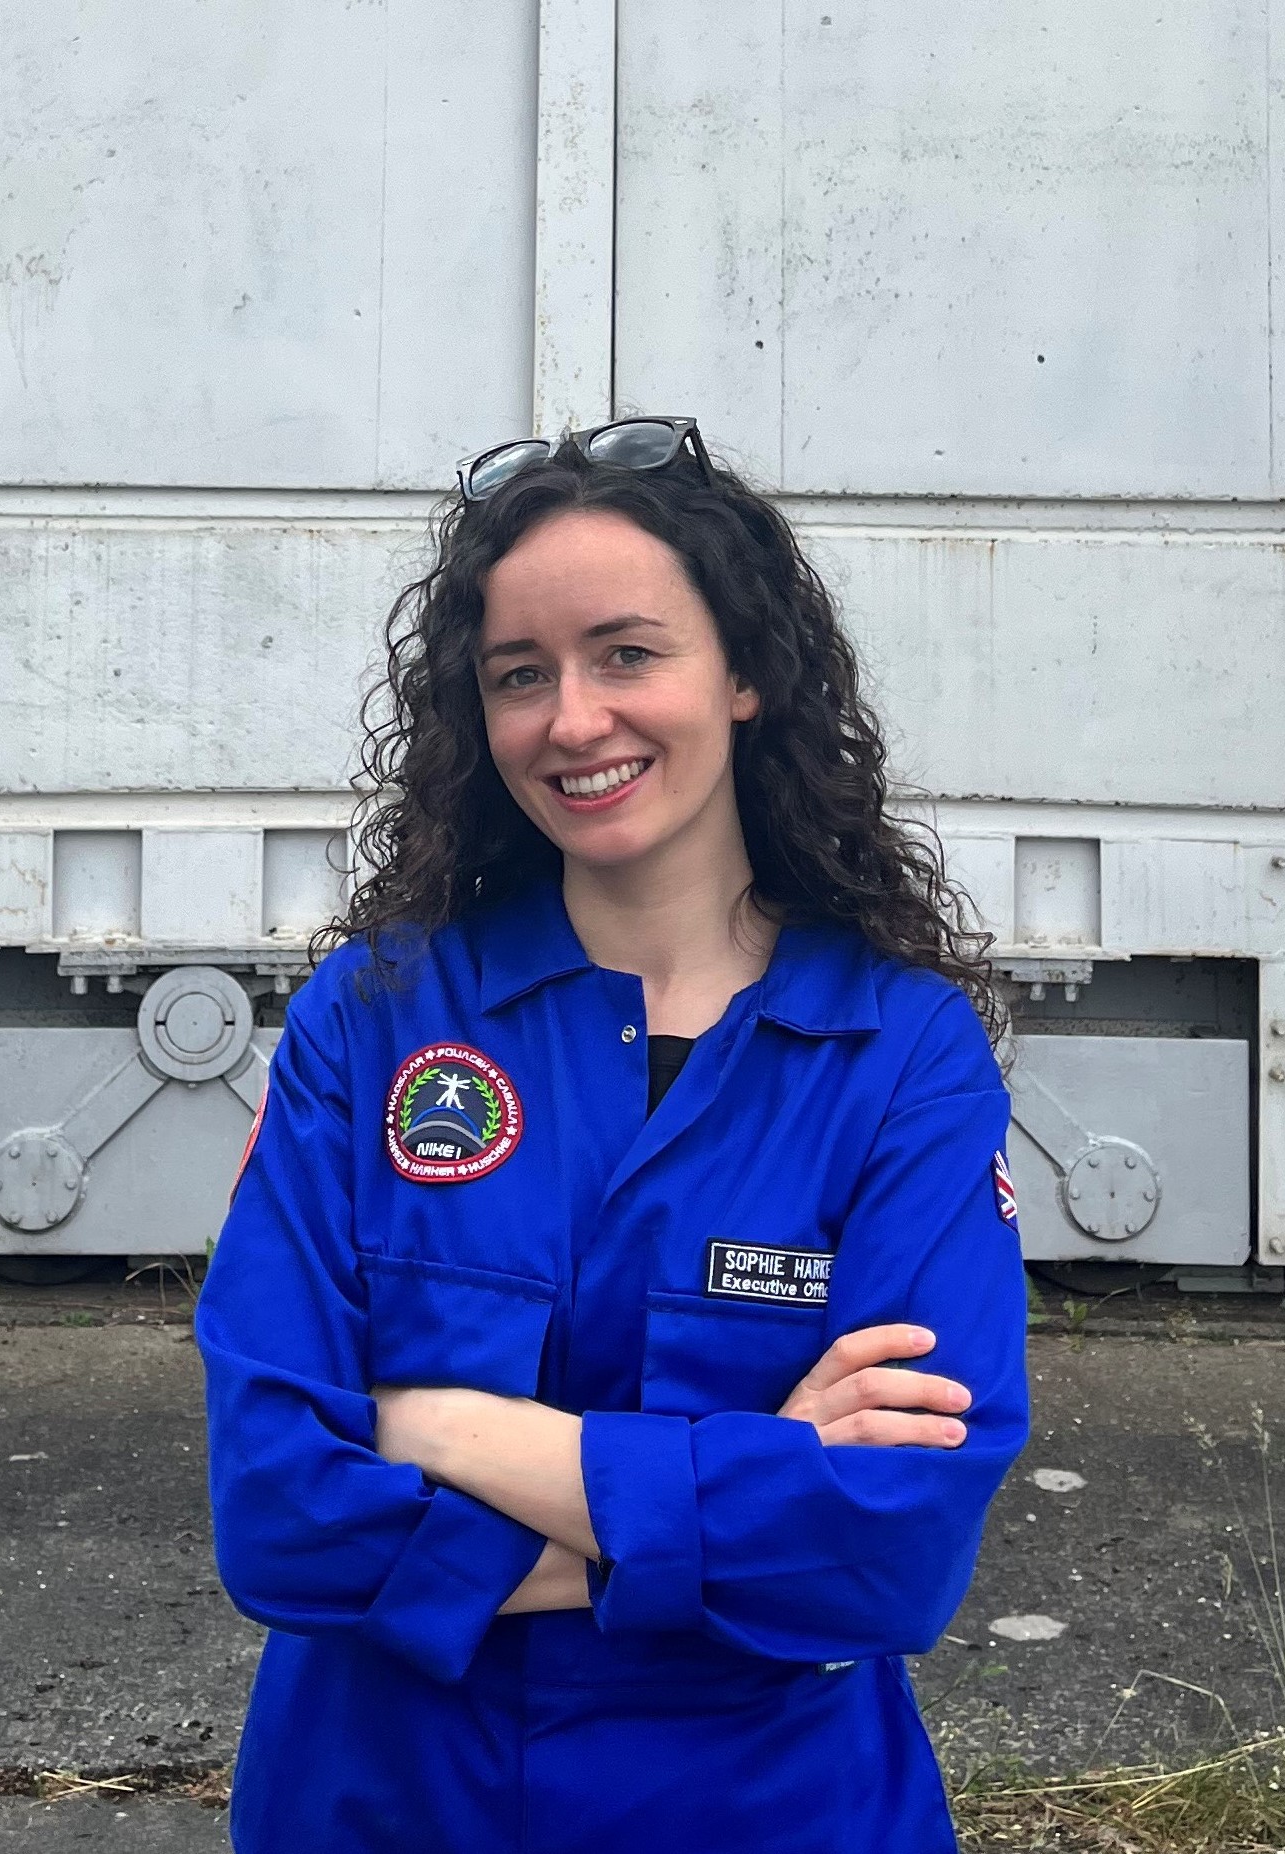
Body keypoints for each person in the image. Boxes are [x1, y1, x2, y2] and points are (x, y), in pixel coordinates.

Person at [194, 416, 1029, 1854]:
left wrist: (448, 1429)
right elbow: (280, 1514)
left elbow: (889, 1549)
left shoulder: (902, 1055)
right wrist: (738, 1489)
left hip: (766, 1814)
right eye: (520, 674)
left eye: (626, 654)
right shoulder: (373, 1020)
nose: (573, 721)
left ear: (747, 674)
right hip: (386, 1806)